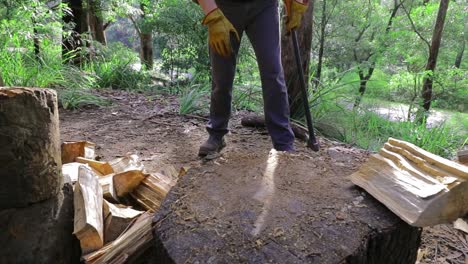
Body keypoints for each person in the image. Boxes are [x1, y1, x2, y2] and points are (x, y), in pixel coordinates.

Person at [195, 0, 308, 156]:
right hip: (224, 9)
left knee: (273, 72)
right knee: (222, 76)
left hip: (264, 6)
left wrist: (296, 3)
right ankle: (216, 134)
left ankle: (283, 140)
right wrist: (212, 15)